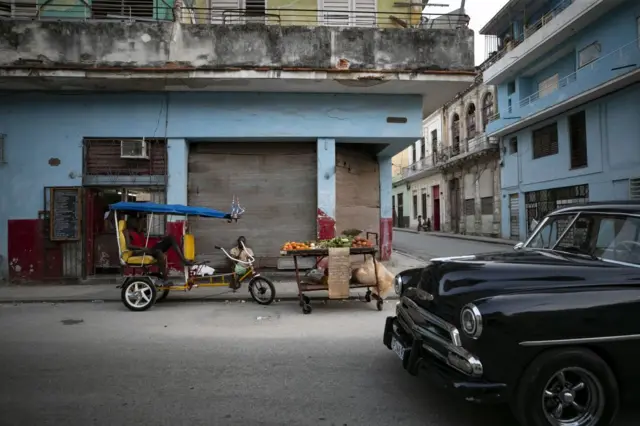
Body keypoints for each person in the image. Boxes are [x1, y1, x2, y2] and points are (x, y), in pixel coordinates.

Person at [123, 216, 191, 285]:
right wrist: (141, 248)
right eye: (135, 221)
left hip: (148, 250)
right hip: (139, 252)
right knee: (158, 252)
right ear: (130, 222)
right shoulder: (127, 231)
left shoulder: (138, 231)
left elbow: (141, 228)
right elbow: (128, 246)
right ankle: (165, 278)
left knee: (170, 237)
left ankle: (183, 260)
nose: (137, 223)